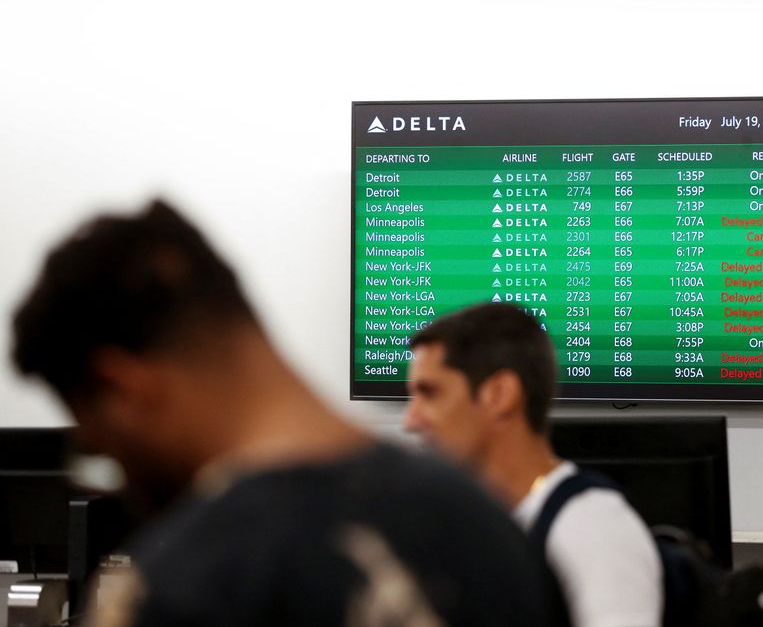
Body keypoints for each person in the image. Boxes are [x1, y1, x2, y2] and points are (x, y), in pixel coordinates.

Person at [11, 199, 564, 627]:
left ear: (124, 386)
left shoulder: (179, 588)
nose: (121, 474)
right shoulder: (491, 531)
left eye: (101, 444)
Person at [405, 302, 664, 627]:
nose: (411, 421)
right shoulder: (475, 523)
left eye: (430, 393)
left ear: (499, 394)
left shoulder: (592, 528)